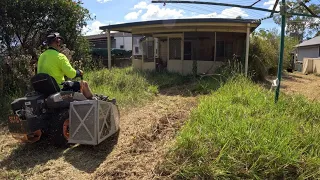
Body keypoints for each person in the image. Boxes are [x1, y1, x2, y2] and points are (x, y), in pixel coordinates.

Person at [37, 32, 93, 99]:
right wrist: (78, 72)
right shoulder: (60, 56)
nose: (60, 45)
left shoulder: (41, 56)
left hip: (44, 90)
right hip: (58, 88)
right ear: (58, 42)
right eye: (60, 42)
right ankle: (93, 104)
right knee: (84, 84)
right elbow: (71, 74)